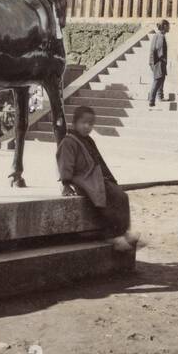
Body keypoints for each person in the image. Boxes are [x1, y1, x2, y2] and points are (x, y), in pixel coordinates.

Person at [56, 105, 138, 250]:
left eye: (91, 124)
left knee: (122, 196)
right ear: (74, 123)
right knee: (105, 198)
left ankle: (124, 231)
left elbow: (99, 161)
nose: (87, 126)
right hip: (83, 179)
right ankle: (112, 235)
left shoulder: (88, 140)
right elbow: (65, 163)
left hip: (96, 177)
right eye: (84, 123)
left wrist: (110, 178)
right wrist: (66, 183)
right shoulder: (68, 142)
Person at [148, 19, 169, 107]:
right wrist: (163, 59)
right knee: (158, 80)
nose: (169, 28)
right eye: (168, 26)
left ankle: (159, 96)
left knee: (160, 79)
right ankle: (151, 100)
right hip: (158, 62)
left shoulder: (157, 35)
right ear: (164, 26)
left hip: (154, 61)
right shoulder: (161, 36)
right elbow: (159, 48)